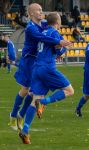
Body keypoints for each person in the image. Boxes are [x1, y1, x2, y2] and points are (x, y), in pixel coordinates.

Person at [9, 3, 72, 131]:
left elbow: (52, 32)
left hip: (38, 60)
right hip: (28, 61)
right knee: (25, 90)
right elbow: (42, 37)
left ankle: (21, 116)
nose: (41, 12)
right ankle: (14, 115)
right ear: (31, 13)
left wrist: (60, 47)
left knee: (34, 93)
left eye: (41, 10)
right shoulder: (30, 28)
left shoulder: (43, 24)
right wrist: (59, 42)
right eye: (38, 10)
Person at [19, 12, 74, 144]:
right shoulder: (55, 33)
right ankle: (44, 103)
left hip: (37, 68)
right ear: (58, 22)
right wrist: (65, 48)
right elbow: (58, 50)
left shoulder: (44, 32)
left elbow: (52, 50)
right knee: (69, 90)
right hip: (47, 68)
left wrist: (60, 49)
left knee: (36, 99)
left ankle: (25, 130)